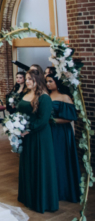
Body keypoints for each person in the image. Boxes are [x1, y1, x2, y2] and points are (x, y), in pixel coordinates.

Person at [17, 68, 58, 213]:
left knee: (39, 165)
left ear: (37, 80)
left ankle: (41, 200)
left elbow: (43, 120)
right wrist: (15, 126)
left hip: (39, 136)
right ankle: (28, 197)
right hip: (26, 136)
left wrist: (28, 129)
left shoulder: (44, 97)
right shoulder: (26, 94)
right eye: (26, 79)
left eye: (30, 79)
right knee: (28, 165)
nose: (27, 81)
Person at [45, 69, 80, 203]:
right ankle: (51, 189)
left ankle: (63, 189)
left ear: (57, 82)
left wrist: (51, 121)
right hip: (47, 131)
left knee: (59, 158)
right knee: (50, 159)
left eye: (50, 81)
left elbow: (70, 117)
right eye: (46, 81)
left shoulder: (64, 97)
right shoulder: (45, 96)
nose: (48, 84)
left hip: (61, 133)